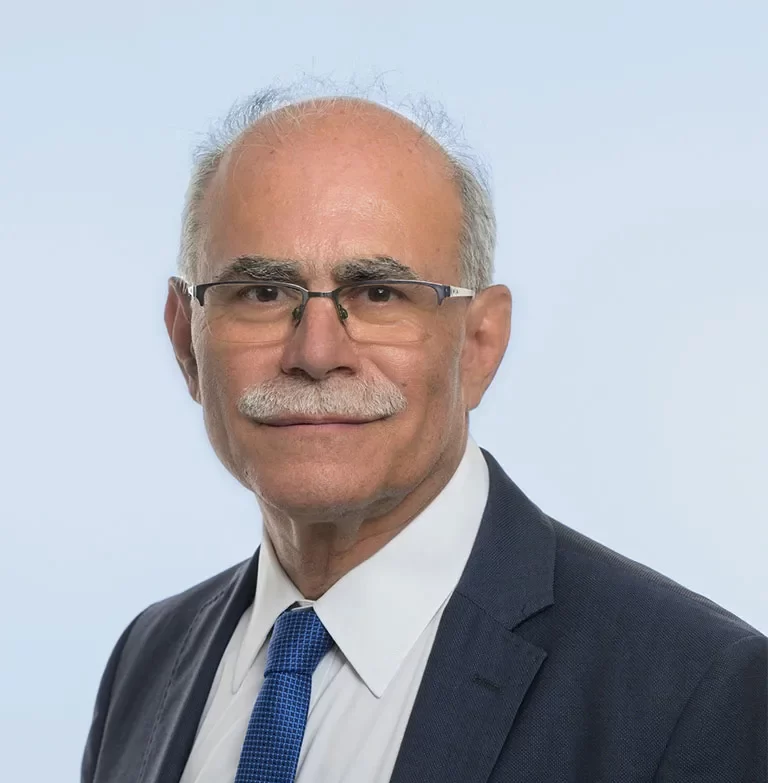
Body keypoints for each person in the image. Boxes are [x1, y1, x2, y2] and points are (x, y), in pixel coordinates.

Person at [81, 85, 767, 783]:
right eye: (262, 293)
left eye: (379, 293)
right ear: (185, 341)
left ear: (480, 343)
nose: (316, 352)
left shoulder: (693, 697)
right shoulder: (148, 658)